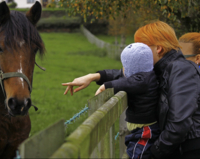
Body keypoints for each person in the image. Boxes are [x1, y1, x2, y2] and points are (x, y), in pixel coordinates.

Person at [63, 21, 200, 159]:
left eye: (141, 46)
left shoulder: (182, 69)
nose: (137, 50)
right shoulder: (158, 69)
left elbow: (179, 123)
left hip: (189, 150)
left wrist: (155, 151)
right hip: (176, 148)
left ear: (158, 48)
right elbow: (130, 77)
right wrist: (94, 76)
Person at [95, 42, 160, 159]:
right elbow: (124, 78)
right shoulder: (147, 76)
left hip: (145, 130)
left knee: (137, 154)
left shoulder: (143, 80)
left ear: (132, 67)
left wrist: (107, 86)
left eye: (124, 65)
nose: (122, 69)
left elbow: (127, 82)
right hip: (140, 129)